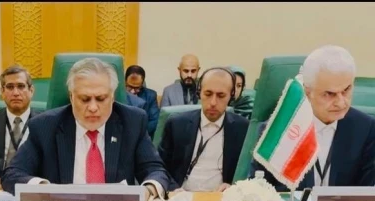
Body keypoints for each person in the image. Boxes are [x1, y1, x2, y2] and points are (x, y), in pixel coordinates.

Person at [2, 57, 173, 201]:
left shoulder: (132, 122)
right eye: (84, 99)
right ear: (71, 97)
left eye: (101, 98)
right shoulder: (45, 126)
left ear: (112, 97)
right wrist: (47, 190)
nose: (92, 107)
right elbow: (12, 174)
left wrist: (147, 191)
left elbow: (156, 171)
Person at [251, 45, 375, 189]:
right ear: (307, 92)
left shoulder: (366, 129)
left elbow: (367, 194)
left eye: (346, 90)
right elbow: (258, 192)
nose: (341, 102)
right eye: (329, 94)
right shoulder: (279, 132)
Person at [158, 67, 249, 192]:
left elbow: (248, 173)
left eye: (221, 95)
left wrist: (234, 187)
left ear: (231, 96)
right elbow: (159, 167)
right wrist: (172, 189)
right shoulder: (176, 124)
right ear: (199, 92)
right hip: (180, 196)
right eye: (208, 94)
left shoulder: (243, 128)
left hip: (221, 198)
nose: (213, 102)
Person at [125, 65, 160, 138]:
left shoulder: (150, 95)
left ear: (142, 84)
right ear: (125, 82)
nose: (132, 91)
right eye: (129, 87)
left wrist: (139, 133)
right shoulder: (118, 94)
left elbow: (154, 121)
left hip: (143, 135)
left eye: (137, 88)